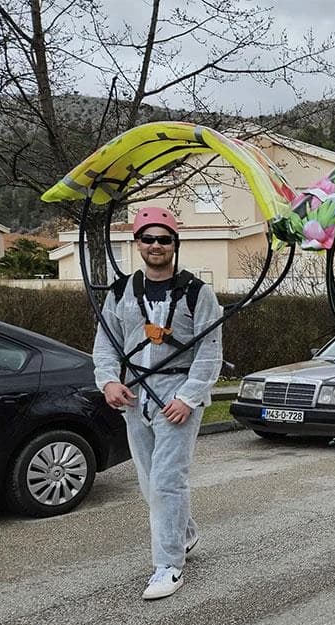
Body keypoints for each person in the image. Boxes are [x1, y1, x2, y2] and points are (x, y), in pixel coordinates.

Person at [93, 207, 223, 600]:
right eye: (148, 239)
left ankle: (168, 565)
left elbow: (210, 350)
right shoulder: (120, 294)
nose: (155, 246)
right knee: (150, 483)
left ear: (174, 245)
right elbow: (105, 345)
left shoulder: (198, 293)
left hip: (178, 396)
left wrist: (189, 396)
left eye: (163, 239)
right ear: (137, 244)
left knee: (167, 481)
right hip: (136, 396)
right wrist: (109, 381)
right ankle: (183, 533)